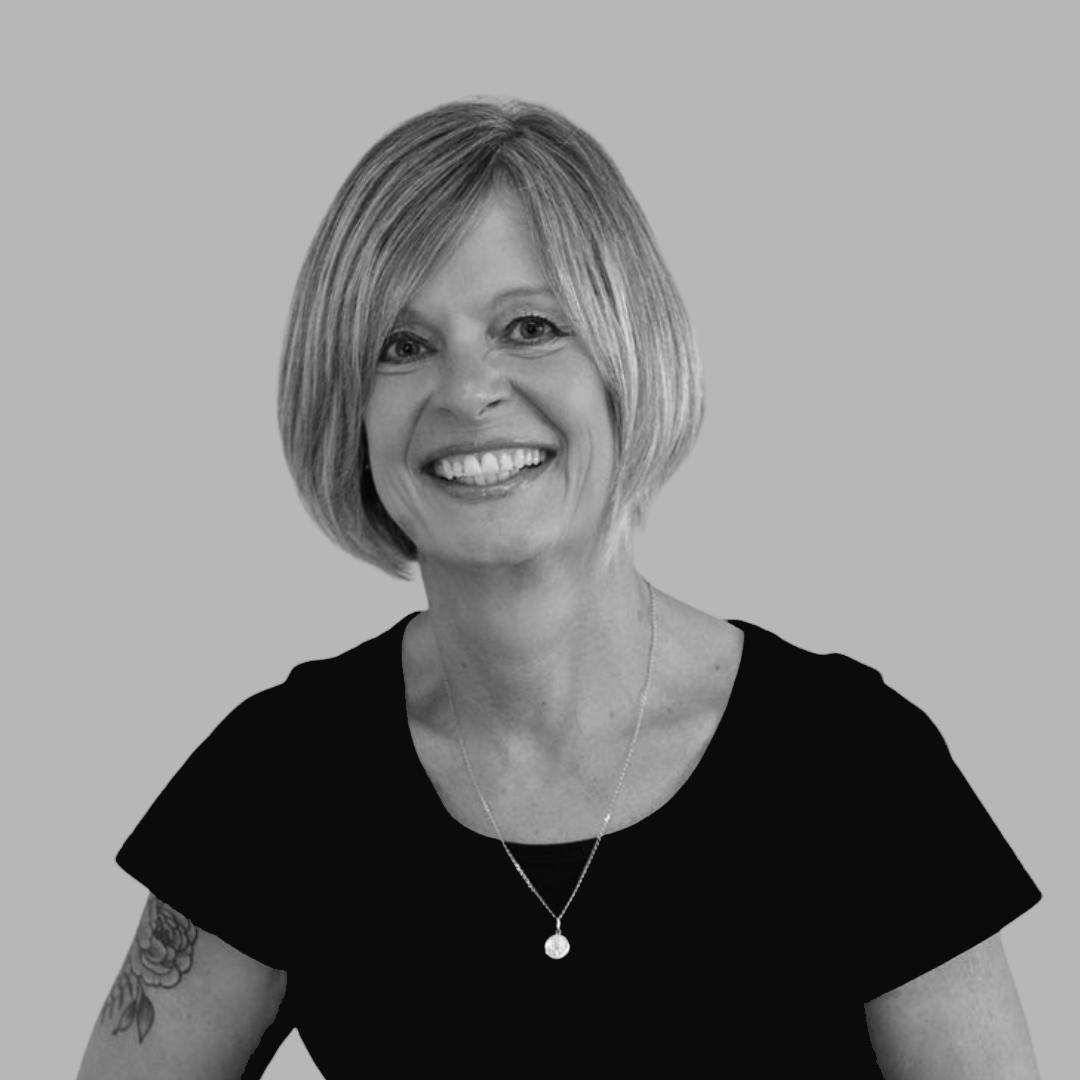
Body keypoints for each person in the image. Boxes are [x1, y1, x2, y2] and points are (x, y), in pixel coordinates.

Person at [76, 97, 1043, 1079]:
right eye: (401, 347)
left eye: (530, 326)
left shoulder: (856, 766)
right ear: (345, 407)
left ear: (631, 361)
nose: (466, 392)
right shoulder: (277, 782)